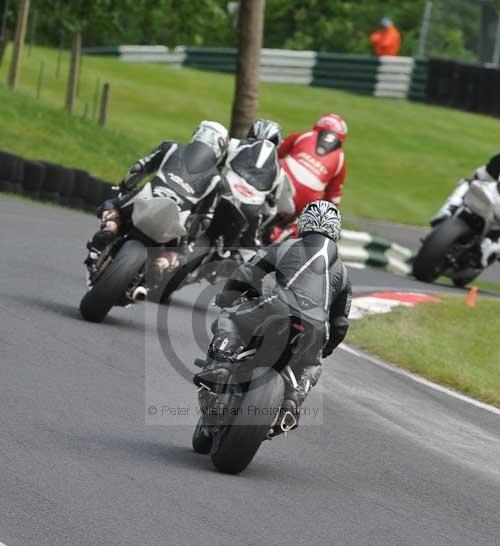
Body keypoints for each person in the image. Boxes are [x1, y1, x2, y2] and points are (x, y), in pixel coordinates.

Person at [194, 200, 352, 425]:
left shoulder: (286, 246)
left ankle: (220, 362)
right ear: (336, 228)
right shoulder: (343, 273)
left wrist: (228, 297)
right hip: (315, 325)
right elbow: (340, 324)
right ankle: (292, 403)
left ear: (304, 223)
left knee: (230, 315)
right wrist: (325, 348)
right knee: (313, 364)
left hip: (277, 306)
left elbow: (247, 272)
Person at [85, 120, 228, 280]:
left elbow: (139, 168)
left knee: (112, 205)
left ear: (198, 133)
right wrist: (190, 238)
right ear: (220, 150)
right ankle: (162, 264)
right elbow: (205, 219)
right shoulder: (217, 181)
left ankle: (110, 228)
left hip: (148, 196)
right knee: (179, 251)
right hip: (179, 216)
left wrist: (124, 187)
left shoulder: (171, 147)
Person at [215, 118, 284, 251]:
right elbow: (271, 210)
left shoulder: (234, 144)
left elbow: (214, 166)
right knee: (250, 248)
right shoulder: (280, 171)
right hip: (250, 210)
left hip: (224, 193)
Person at [431, 153, 500, 266]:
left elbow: (482, 174)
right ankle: (490, 245)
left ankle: (448, 210)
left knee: (468, 183)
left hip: (491, 197)